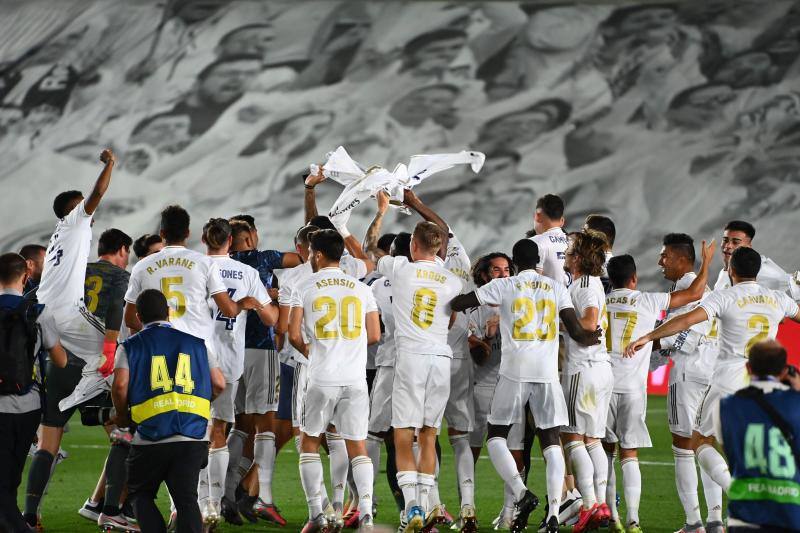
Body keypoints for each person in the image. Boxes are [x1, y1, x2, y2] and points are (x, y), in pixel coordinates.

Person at [625, 247, 800, 523]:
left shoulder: (725, 296)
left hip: (728, 378)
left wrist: (648, 336)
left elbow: (685, 320)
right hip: (764, 382)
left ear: (731, 270)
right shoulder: (778, 299)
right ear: (758, 272)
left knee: (700, 441)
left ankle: (738, 492)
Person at [451, 239, 602, 533]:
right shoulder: (556, 287)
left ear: (515, 263)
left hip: (514, 371)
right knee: (551, 441)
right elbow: (575, 329)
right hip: (546, 372)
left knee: (496, 435)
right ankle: (555, 512)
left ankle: (521, 493)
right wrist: (589, 338)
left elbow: (460, 303)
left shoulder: (505, 285)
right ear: (538, 263)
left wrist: (458, 293)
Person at [24, 149, 117, 530]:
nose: (90, 209)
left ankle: (30, 514)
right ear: (74, 209)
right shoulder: (76, 222)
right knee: (119, 359)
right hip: (67, 315)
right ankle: (95, 403)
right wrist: (110, 165)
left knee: (49, 440)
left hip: (49, 316)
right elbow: (97, 194)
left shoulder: (60, 236)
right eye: (82, 205)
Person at [601, 245, 713, 533]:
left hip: (602, 387)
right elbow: (695, 294)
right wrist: (706, 263)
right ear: (634, 279)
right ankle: (633, 519)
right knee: (630, 454)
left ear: (610, 279)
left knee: (605, 454)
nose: (661, 261)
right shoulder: (648, 300)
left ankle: (611, 517)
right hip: (633, 389)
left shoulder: (599, 301)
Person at [288, 229, 381, 532]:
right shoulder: (361, 288)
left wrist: (313, 352)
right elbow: (375, 335)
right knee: (357, 446)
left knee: (309, 442)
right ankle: (365, 512)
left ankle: (317, 514)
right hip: (354, 378)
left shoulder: (304, 286)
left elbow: (292, 334)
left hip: (322, 376)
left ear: (316, 254)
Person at [112, 289, 226, 533]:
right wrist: (199, 404)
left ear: (138, 316)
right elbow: (219, 383)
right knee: (187, 500)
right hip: (192, 436)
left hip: (150, 436)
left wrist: (121, 416)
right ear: (169, 312)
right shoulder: (198, 344)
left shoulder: (129, 346)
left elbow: (120, 386)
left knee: (141, 494)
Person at [375, 219, 461, 531]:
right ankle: (425, 506)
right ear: (438, 247)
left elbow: (371, 250)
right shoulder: (452, 280)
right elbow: (450, 320)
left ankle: (411, 505)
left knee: (402, 434)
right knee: (428, 434)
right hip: (440, 359)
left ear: (413, 245)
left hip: (410, 358)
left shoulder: (400, 269)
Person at [200, 218, 277, 528]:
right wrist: (256, 303)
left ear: (203, 240)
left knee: (192, 431)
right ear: (230, 241)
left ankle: (192, 503)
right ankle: (215, 502)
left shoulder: (195, 266)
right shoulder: (247, 272)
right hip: (229, 361)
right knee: (219, 429)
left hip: (193, 358)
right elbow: (271, 318)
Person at [227, 215, 301, 524]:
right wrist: (274, 294)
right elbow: (303, 256)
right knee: (266, 426)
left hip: (230, 352)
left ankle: (225, 492)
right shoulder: (263, 259)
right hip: (261, 348)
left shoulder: (222, 265)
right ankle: (262, 497)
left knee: (237, 425)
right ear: (250, 237)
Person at [657, 233, 725, 533]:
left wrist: (654, 340)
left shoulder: (688, 289)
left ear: (683, 259)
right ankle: (715, 520)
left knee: (683, 448)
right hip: (711, 372)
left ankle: (694, 523)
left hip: (688, 373)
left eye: (665, 256)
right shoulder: (702, 288)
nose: (660, 261)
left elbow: (684, 334)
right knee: (704, 443)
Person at [0, 253, 66, 533]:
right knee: (11, 477)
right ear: (26, 277)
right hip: (29, 406)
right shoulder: (38, 312)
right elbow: (60, 360)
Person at [717, 340, 800, 532]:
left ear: (748, 367)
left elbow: (731, 453)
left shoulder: (723, 407)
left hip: (744, 515)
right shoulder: (796, 403)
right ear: (784, 371)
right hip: (789, 513)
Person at [560, 230, 613, 532]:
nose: (565, 255)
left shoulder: (582, 284)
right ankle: (601, 504)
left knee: (573, 437)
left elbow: (590, 322)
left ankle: (589, 505)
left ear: (578, 258)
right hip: (600, 369)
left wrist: (561, 323)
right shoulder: (591, 283)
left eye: (569, 251)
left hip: (583, 369)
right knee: (592, 439)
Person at [171, 55, 263, 136]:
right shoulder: (172, 119)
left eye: (250, 74)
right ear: (197, 83)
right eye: (228, 74)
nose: (240, 79)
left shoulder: (245, 114)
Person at [528, 194, 569, 285]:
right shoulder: (577, 243)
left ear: (537, 216)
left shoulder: (532, 243)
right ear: (562, 221)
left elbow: (530, 284)